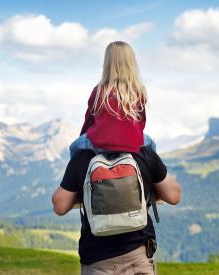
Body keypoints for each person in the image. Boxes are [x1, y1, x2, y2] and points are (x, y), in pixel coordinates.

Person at [52, 146, 181, 274]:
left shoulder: (82, 158)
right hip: (139, 257)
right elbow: (174, 196)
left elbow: (59, 207)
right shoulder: (143, 154)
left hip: (98, 260)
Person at [69, 40, 156, 158]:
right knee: (151, 144)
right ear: (131, 63)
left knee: (74, 147)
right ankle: (152, 174)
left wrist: (84, 137)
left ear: (107, 63)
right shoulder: (138, 91)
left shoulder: (99, 90)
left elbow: (88, 121)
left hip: (100, 143)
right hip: (132, 143)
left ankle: (77, 175)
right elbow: (142, 123)